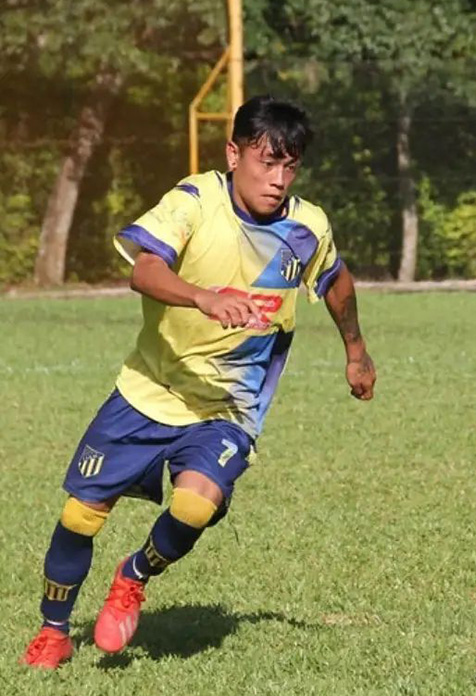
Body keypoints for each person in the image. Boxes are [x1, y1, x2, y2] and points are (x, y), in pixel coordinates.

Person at [20, 95, 377, 669]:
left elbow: (335, 279)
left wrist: (356, 350)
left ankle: (133, 576)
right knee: (79, 517)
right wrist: (204, 297)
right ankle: (54, 630)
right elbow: (144, 269)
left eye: (291, 167)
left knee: (195, 505)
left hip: (228, 408)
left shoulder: (307, 227)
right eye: (267, 163)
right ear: (233, 154)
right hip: (148, 390)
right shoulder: (194, 201)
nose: (278, 180)